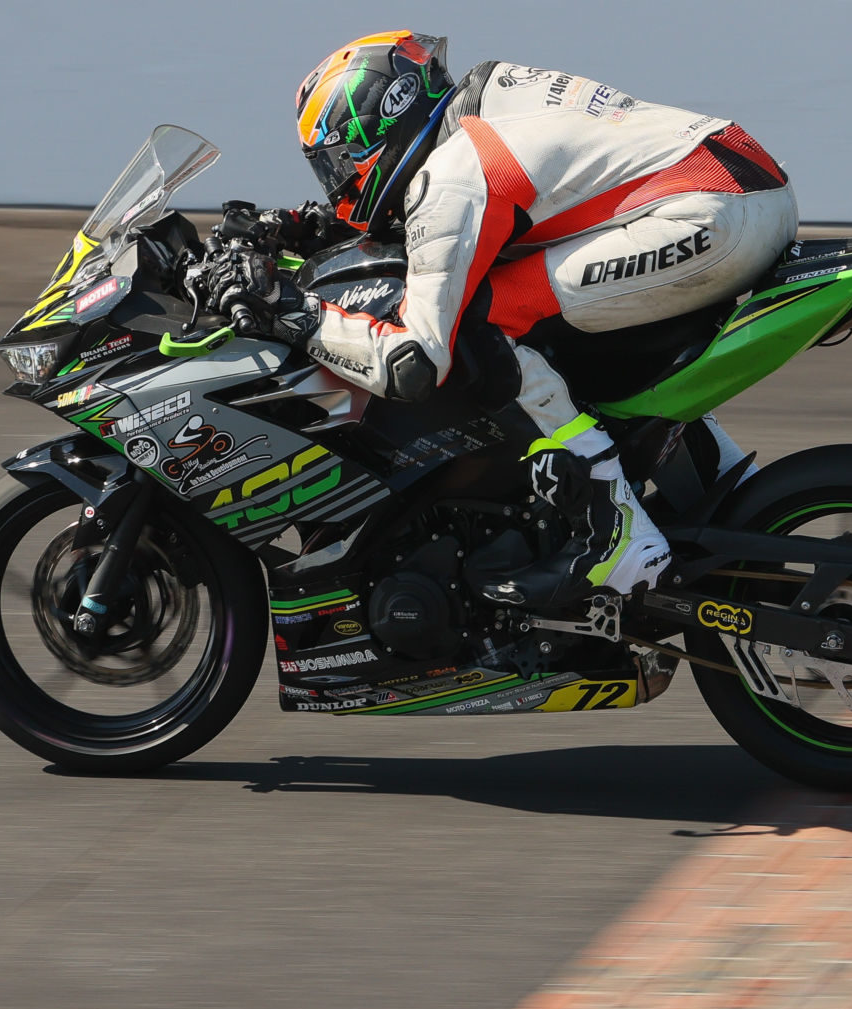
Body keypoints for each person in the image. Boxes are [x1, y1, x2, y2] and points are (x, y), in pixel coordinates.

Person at [284, 30, 794, 610]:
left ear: (386, 119)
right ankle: (739, 499)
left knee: (484, 321)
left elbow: (417, 361)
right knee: (557, 325)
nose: (341, 184)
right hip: (741, 182)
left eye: (340, 162)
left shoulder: (453, 173)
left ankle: (615, 530)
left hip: (710, 213)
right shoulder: (483, 103)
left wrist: (298, 316)